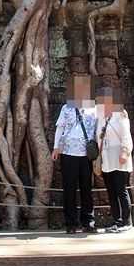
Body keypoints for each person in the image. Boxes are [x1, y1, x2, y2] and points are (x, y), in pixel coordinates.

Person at [51, 74, 97, 234]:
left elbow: (106, 120)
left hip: (86, 154)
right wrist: (56, 148)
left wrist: (122, 112)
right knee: (69, 189)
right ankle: (70, 223)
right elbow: (60, 128)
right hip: (68, 153)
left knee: (86, 189)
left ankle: (88, 221)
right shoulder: (66, 108)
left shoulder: (94, 108)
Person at [95, 87, 133, 233]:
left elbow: (126, 135)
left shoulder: (119, 115)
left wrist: (124, 151)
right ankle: (117, 220)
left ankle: (127, 221)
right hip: (106, 159)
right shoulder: (100, 117)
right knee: (111, 191)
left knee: (121, 190)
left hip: (118, 157)